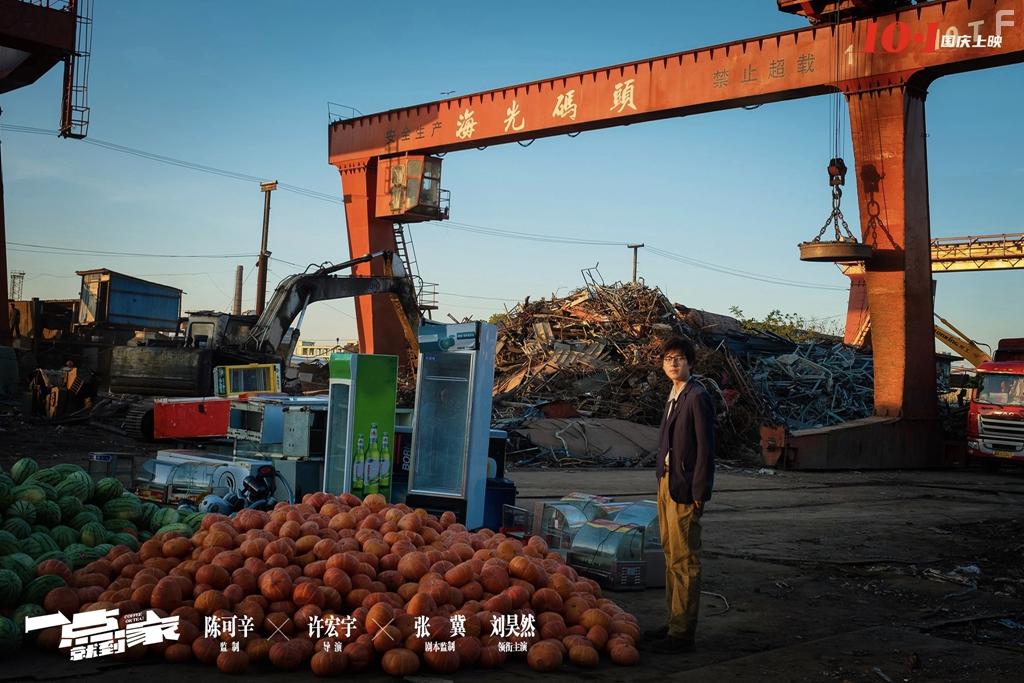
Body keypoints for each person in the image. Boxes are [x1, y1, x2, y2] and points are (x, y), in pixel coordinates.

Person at [644, 336, 715, 654]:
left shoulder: (697, 396)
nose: (673, 363)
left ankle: (683, 634)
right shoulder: (674, 394)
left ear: (691, 363)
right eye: (668, 358)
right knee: (671, 554)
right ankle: (673, 622)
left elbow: (706, 449)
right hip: (666, 482)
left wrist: (700, 491)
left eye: (680, 358)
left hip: (685, 487)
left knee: (685, 559)